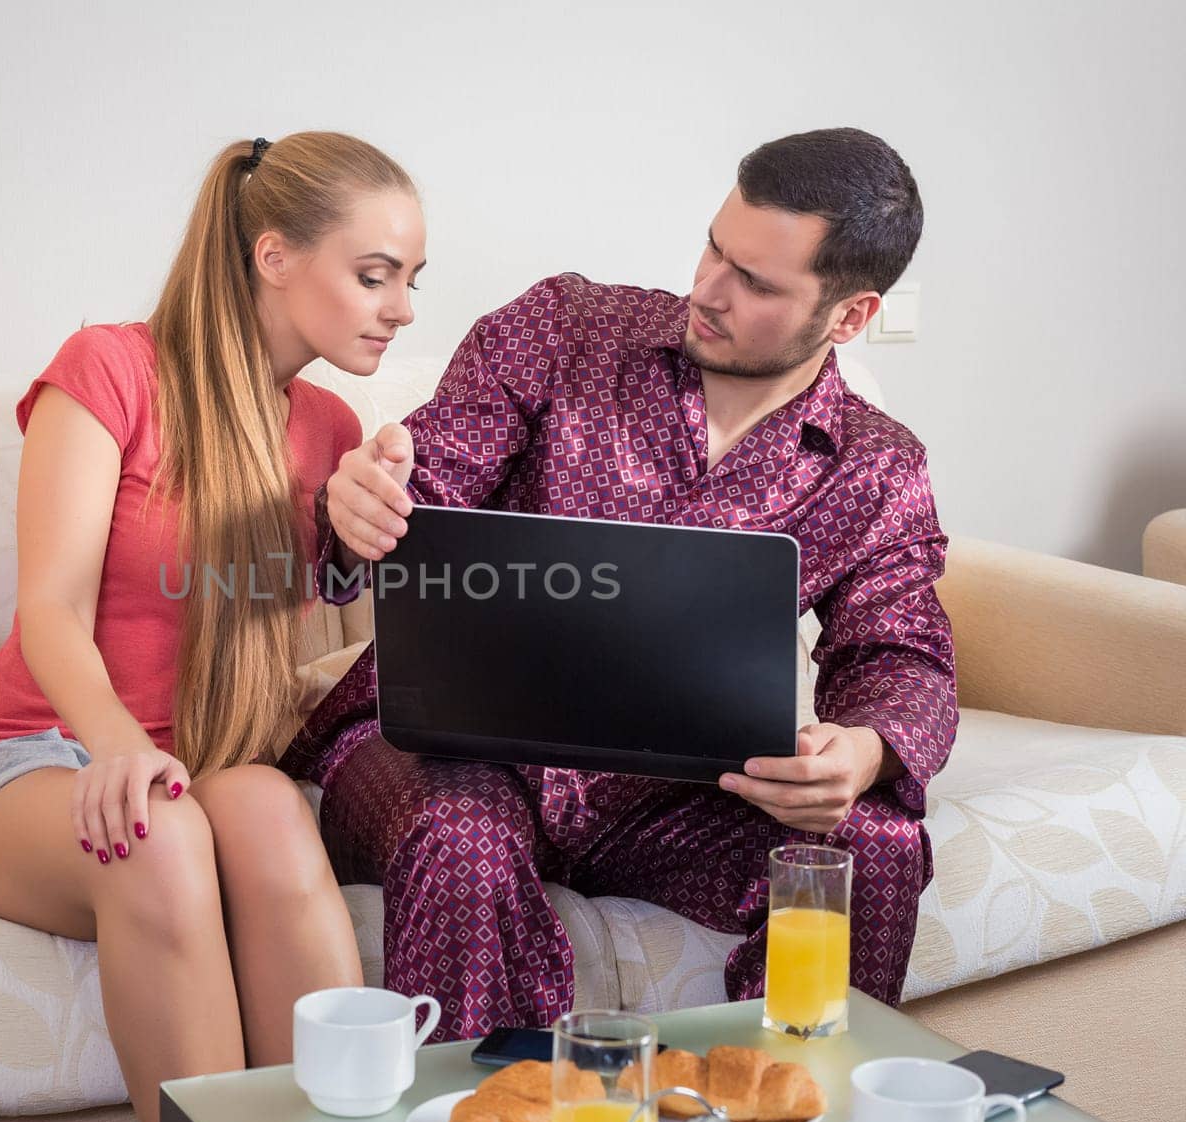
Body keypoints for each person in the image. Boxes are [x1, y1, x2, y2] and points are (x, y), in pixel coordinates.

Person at [281, 126, 958, 1042]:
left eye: (755, 282)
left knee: (874, 844)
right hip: (445, 757)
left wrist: (865, 751)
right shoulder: (564, 329)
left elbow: (901, 654)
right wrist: (360, 508)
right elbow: (416, 497)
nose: (708, 289)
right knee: (464, 844)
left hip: (675, 800)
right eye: (716, 248)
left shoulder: (876, 467)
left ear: (850, 317)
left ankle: (782, 1113)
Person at [0, 132, 428, 1122]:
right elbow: (51, 607)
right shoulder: (110, 368)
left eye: (409, 279)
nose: (401, 307)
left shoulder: (327, 424)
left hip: (197, 765)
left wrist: (369, 532)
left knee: (270, 809)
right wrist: (121, 750)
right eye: (374, 276)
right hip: (30, 760)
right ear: (274, 256)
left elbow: (299, 601)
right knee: (159, 829)